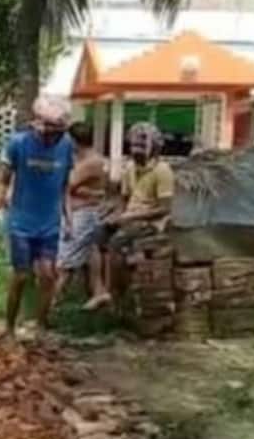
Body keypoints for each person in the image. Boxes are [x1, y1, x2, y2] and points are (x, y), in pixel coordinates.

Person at [0, 95, 75, 340]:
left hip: (49, 222)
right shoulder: (18, 143)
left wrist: (68, 219)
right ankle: (9, 327)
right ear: (37, 125)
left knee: (48, 274)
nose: (50, 137)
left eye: (56, 132)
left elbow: (65, 186)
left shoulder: (67, 145)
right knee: (21, 275)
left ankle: (40, 326)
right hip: (21, 222)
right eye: (47, 131)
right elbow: (3, 182)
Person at [104, 121, 177, 269]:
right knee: (96, 234)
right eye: (133, 145)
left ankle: (118, 290)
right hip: (129, 218)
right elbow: (123, 200)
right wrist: (115, 214)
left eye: (142, 146)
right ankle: (100, 287)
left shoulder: (162, 170)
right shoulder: (129, 168)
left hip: (151, 223)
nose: (136, 150)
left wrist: (131, 217)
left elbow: (165, 209)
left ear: (154, 148)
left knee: (116, 243)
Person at [58, 122, 113, 309]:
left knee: (64, 263)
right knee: (90, 252)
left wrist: (80, 191)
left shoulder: (91, 162)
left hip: (82, 214)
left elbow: (66, 183)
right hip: (79, 211)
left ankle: (48, 308)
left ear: (74, 141)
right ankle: (99, 290)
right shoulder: (83, 159)